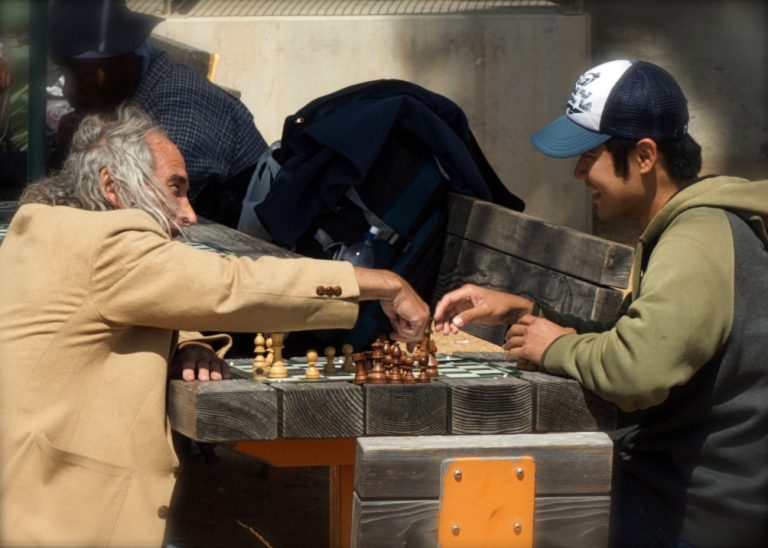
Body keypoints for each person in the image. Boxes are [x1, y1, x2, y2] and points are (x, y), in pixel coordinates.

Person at [0, 105, 429, 546]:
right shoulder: (108, 245)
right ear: (111, 187)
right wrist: (381, 284)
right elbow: (232, 284)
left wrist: (184, 340)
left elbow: (117, 301)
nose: (188, 214)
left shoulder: (48, 227)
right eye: (175, 189)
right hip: (62, 514)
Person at [434, 59, 768, 547]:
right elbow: (640, 336)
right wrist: (528, 311)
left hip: (700, 510)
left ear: (645, 155)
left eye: (589, 156)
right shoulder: (691, 227)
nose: (577, 173)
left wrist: (555, 349)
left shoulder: (696, 239)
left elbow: (639, 370)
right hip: (684, 490)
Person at [46, 0, 269, 228]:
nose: (68, 89)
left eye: (79, 75)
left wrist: (74, 154)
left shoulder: (180, 106)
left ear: (123, 64)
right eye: (64, 72)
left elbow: (154, 202)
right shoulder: (122, 96)